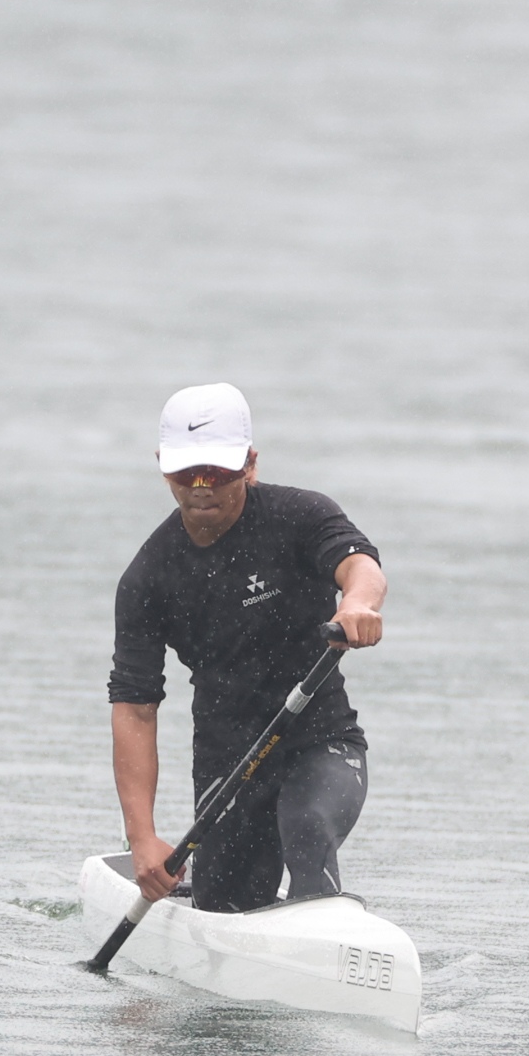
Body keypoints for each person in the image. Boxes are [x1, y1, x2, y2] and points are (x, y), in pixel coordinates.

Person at [108, 383, 388, 911]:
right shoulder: (148, 578)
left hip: (321, 742)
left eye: (216, 472)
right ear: (162, 467)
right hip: (228, 762)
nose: (201, 488)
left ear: (250, 464)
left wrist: (357, 605)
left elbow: (360, 565)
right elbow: (135, 708)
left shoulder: (300, 516)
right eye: (186, 474)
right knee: (224, 903)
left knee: (308, 828)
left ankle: (319, 927)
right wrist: (142, 838)